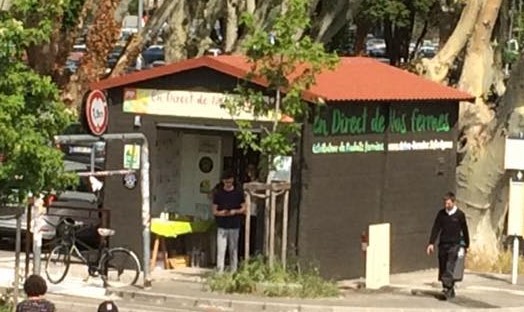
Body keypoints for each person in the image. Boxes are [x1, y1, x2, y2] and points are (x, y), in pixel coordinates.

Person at [426, 192, 470, 299]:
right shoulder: (441, 214)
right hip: (443, 244)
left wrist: (466, 244)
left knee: (449, 266)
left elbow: (465, 230)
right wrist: (431, 243)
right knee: (443, 266)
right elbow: (436, 228)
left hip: (454, 244)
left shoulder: (460, 215)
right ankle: (450, 289)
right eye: (445, 203)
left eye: (448, 203)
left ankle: (446, 288)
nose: (446, 205)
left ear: (453, 202)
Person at [212, 170, 246, 272]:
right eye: (226, 182)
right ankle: (219, 271)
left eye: (230, 182)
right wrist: (223, 213)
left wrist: (235, 211)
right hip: (222, 225)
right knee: (221, 250)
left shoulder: (238, 193)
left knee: (233, 249)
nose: (228, 184)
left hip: (234, 224)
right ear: (223, 181)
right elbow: (214, 211)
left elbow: (244, 208)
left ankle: (233, 270)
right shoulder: (218, 194)